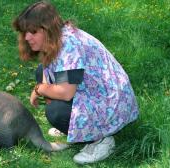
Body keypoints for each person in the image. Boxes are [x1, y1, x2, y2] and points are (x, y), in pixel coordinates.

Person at [12, 1, 139, 164]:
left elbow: (65, 93)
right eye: (25, 32)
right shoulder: (56, 38)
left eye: (33, 32)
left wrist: (40, 89)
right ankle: (77, 128)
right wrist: (44, 85)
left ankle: (100, 141)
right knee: (41, 73)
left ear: (47, 29)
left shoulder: (69, 45)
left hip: (112, 104)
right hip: (95, 92)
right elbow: (47, 67)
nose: (27, 37)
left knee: (56, 112)